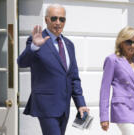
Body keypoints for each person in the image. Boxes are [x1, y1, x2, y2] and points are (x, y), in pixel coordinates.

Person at [18, 4, 89, 135]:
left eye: (62, 19)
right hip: (46, 105)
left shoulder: (69, 44)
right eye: (54, 18)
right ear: (46, 20)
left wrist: (81, 103)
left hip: (64, 106)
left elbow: (73, 77)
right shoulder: (36, 40)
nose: (58, 22)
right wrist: (34, 47)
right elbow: (21, 62)